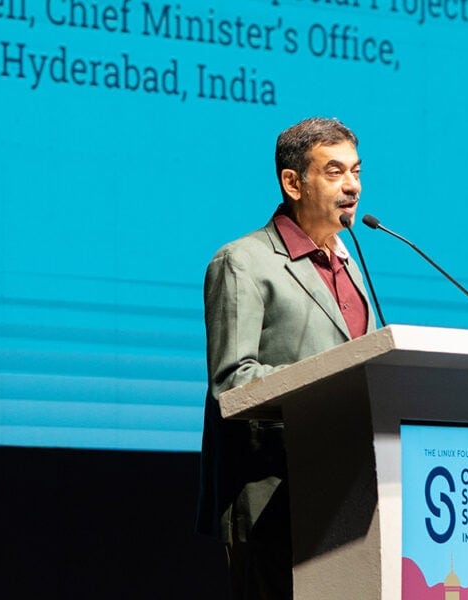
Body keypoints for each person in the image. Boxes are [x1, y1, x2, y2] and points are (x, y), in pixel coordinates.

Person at [196, 116, 374, 599]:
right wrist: (332, 385)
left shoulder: (349, 266)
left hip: (347, 493)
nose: (352, 186)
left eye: (356, 171)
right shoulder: (243, 261)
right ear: (292, 182)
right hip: (273, 497)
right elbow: (233, 383)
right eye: (334, 172)